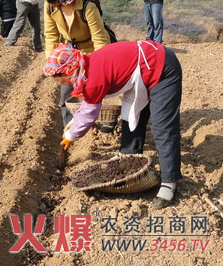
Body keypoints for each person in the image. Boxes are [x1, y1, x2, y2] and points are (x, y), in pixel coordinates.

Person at [45, 41, 182, 209]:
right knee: (132, 114)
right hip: (142, 66)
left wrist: (70, 136)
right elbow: (87, 104)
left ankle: (169, 181)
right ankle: (128, 156)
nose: (61, 83)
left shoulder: (93, 78)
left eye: (59, 79)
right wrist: (73, 123)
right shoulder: (86, 66)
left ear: (69, 70)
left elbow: (89, 114)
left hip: (161, 66)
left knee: (162, 127)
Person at [41, 0, 111, 126]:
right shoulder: (50, 6)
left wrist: (97, 68)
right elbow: (51, 34)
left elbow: (99, 39)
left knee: (93, 93)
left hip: (90, 52)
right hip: (68, 55)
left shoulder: (88, 7)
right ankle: (70, 127)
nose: (51, 1)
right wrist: (51, 62)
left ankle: (97, 126)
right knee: (66, 96)